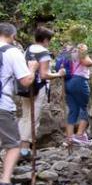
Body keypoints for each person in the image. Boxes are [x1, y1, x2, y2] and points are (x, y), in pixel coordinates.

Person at [0, 23, 37, 185]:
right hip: (2, 105)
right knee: (13, 144)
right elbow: (25, 81)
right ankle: (5, 182)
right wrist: (32, 69)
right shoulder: (12, 52)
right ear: (12, 36)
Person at [19, 27, 66, 159]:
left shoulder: (28, 50)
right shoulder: (44, 53)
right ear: (45, 39)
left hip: (25, 86)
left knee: (25, 116)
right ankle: (24, 150)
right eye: (49, 40)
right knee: (34, 118)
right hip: (38, 88)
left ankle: (19, 148)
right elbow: (44, 75)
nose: (49, 43)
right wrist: (58, 74)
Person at [64, 43, 92, 146]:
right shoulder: (81, 49)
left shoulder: (69, 51)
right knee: (84, 107)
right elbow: (86, 62)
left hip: (68, 82)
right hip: (79, 81)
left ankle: (69, 138)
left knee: (73, 110)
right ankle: (80, 135)